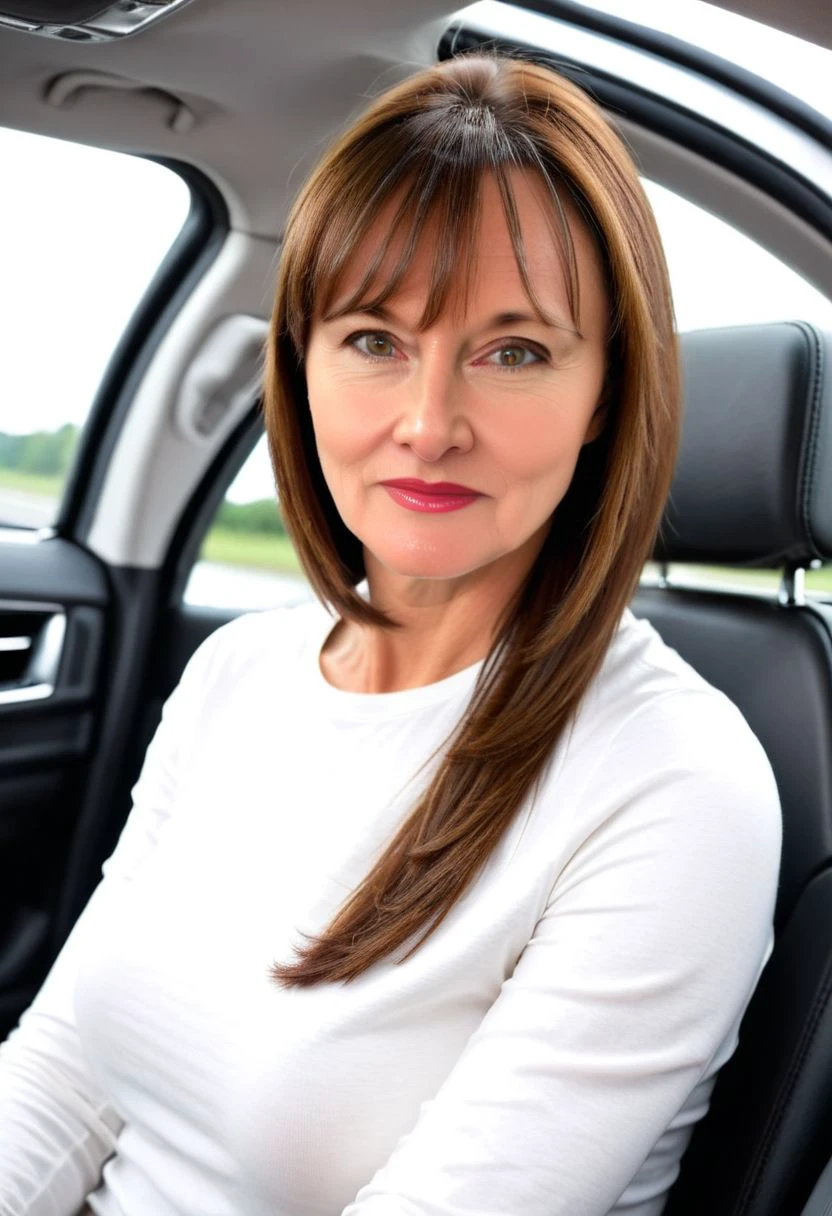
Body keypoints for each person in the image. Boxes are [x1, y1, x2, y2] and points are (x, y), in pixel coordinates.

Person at [0, 52, 781, 1216]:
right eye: (374, 338)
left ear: (607, 392)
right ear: (301, 365)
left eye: (513, 351)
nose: (427, 424)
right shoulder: (238, 674)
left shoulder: (675, 785)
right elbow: (59, 1081)